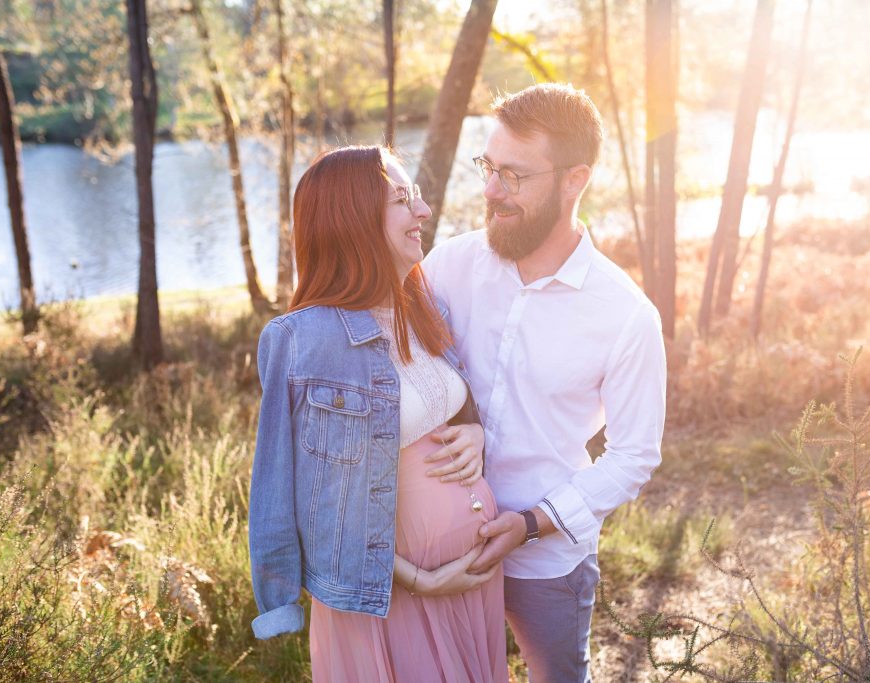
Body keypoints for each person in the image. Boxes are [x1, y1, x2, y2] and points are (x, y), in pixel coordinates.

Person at [421, 83, 667, 682]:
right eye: (488, 167)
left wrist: (532, 522)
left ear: (574, 180)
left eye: (514, 175)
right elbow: (404, 370)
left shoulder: (627, 314)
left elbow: (634, 456)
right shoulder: (448, 266)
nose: (491, 191)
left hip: (547, 561)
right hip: (438, 544)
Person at [248, 146, 507, 683]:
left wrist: (474, 434)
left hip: (472, 587)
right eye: (402, 198)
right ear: (352, 217)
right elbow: (288, 494)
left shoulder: (420, 304)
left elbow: (437, 406)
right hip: (387, 601)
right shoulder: (302, 341)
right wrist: (416, 578)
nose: (424, 211)